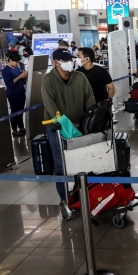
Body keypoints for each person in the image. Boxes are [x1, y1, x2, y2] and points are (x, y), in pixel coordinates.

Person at [41, 49, 96, 218]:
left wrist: (90, 121)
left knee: (83, 164)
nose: (69, 62)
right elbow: (51, 107)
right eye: (64, 60)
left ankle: (83, 197)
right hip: (57, 129)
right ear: (56, 62)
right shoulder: (48, 80)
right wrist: (64, 125)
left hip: (80, 129)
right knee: (61, 166)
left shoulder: (80, 77)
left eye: (70, 59)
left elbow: (90, 101)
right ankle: (65, 200)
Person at [2, 52, 28, 137]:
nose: (17, 64)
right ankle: (14, 129)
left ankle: (21, 127)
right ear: (10, 60)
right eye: (16, 62)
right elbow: (9, 84)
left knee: (20, 111)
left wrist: (24, 76)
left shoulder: (16, 69)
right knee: (14, 112)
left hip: (21, 92)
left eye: (18, 62)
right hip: (13, 94)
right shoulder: (6, 70)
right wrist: (20, 76)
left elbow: (21, 79)